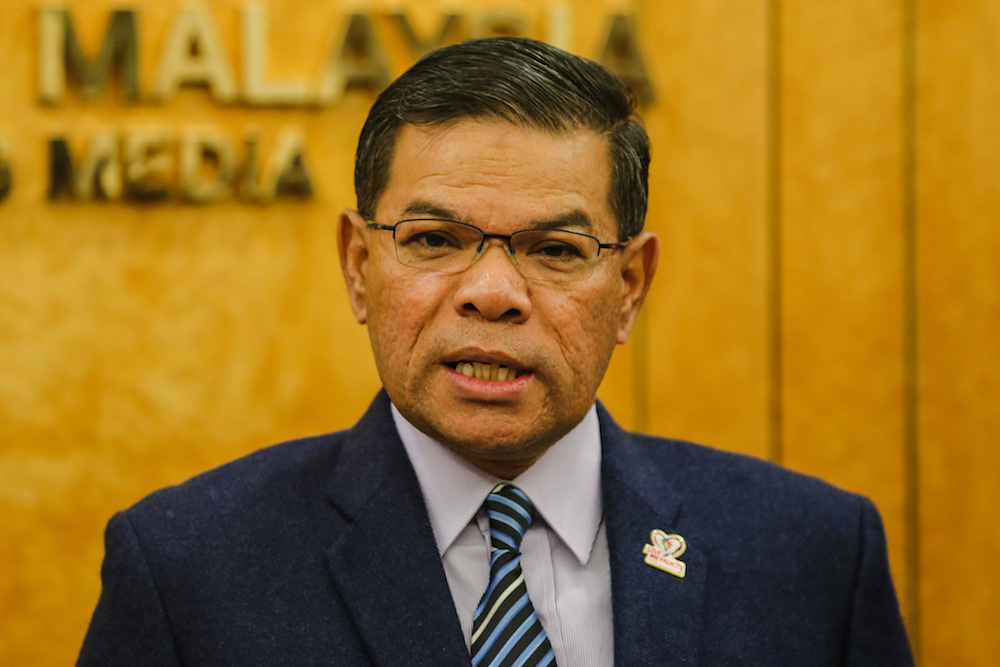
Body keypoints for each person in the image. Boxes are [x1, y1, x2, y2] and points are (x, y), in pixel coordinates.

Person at [78, 37, 913, 666]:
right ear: (359, 267)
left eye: (554, 249)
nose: (493, 292)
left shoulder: (815, 556)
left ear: (629, 285)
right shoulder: (188, 570)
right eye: (434, 237)